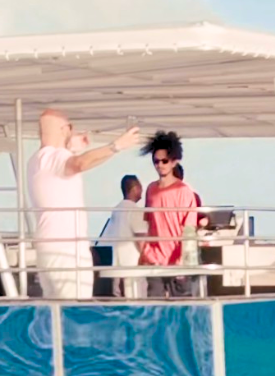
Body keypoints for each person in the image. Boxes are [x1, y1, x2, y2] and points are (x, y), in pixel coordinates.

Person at [27, 109, 141, 300]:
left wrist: (110, 150)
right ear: (66, 129)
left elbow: (79, 162)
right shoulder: (57, 158)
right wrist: (116, 146)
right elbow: (79, 163)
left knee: (54, 314)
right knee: (75, 312)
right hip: (68, 252)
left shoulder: (36, 160)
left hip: (46, 250)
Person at [140, 130, 197, 298]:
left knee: (181, 311)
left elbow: (189, 228)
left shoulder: (184, 191)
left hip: (177, 262)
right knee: (154, 309)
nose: (160, 165)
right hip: (154, 260)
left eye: (164, 161)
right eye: (156, 161)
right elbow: (148, 223)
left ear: (174, 162)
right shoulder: (150, 189)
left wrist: (182, 258)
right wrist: (146, 253)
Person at [98, 174, 147, 298]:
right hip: (132, 263)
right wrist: (145, 257)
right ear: (135, 188)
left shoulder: (117, 209)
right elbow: (140, 236)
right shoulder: (135, 210)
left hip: (117, 263)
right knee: (136, 297)